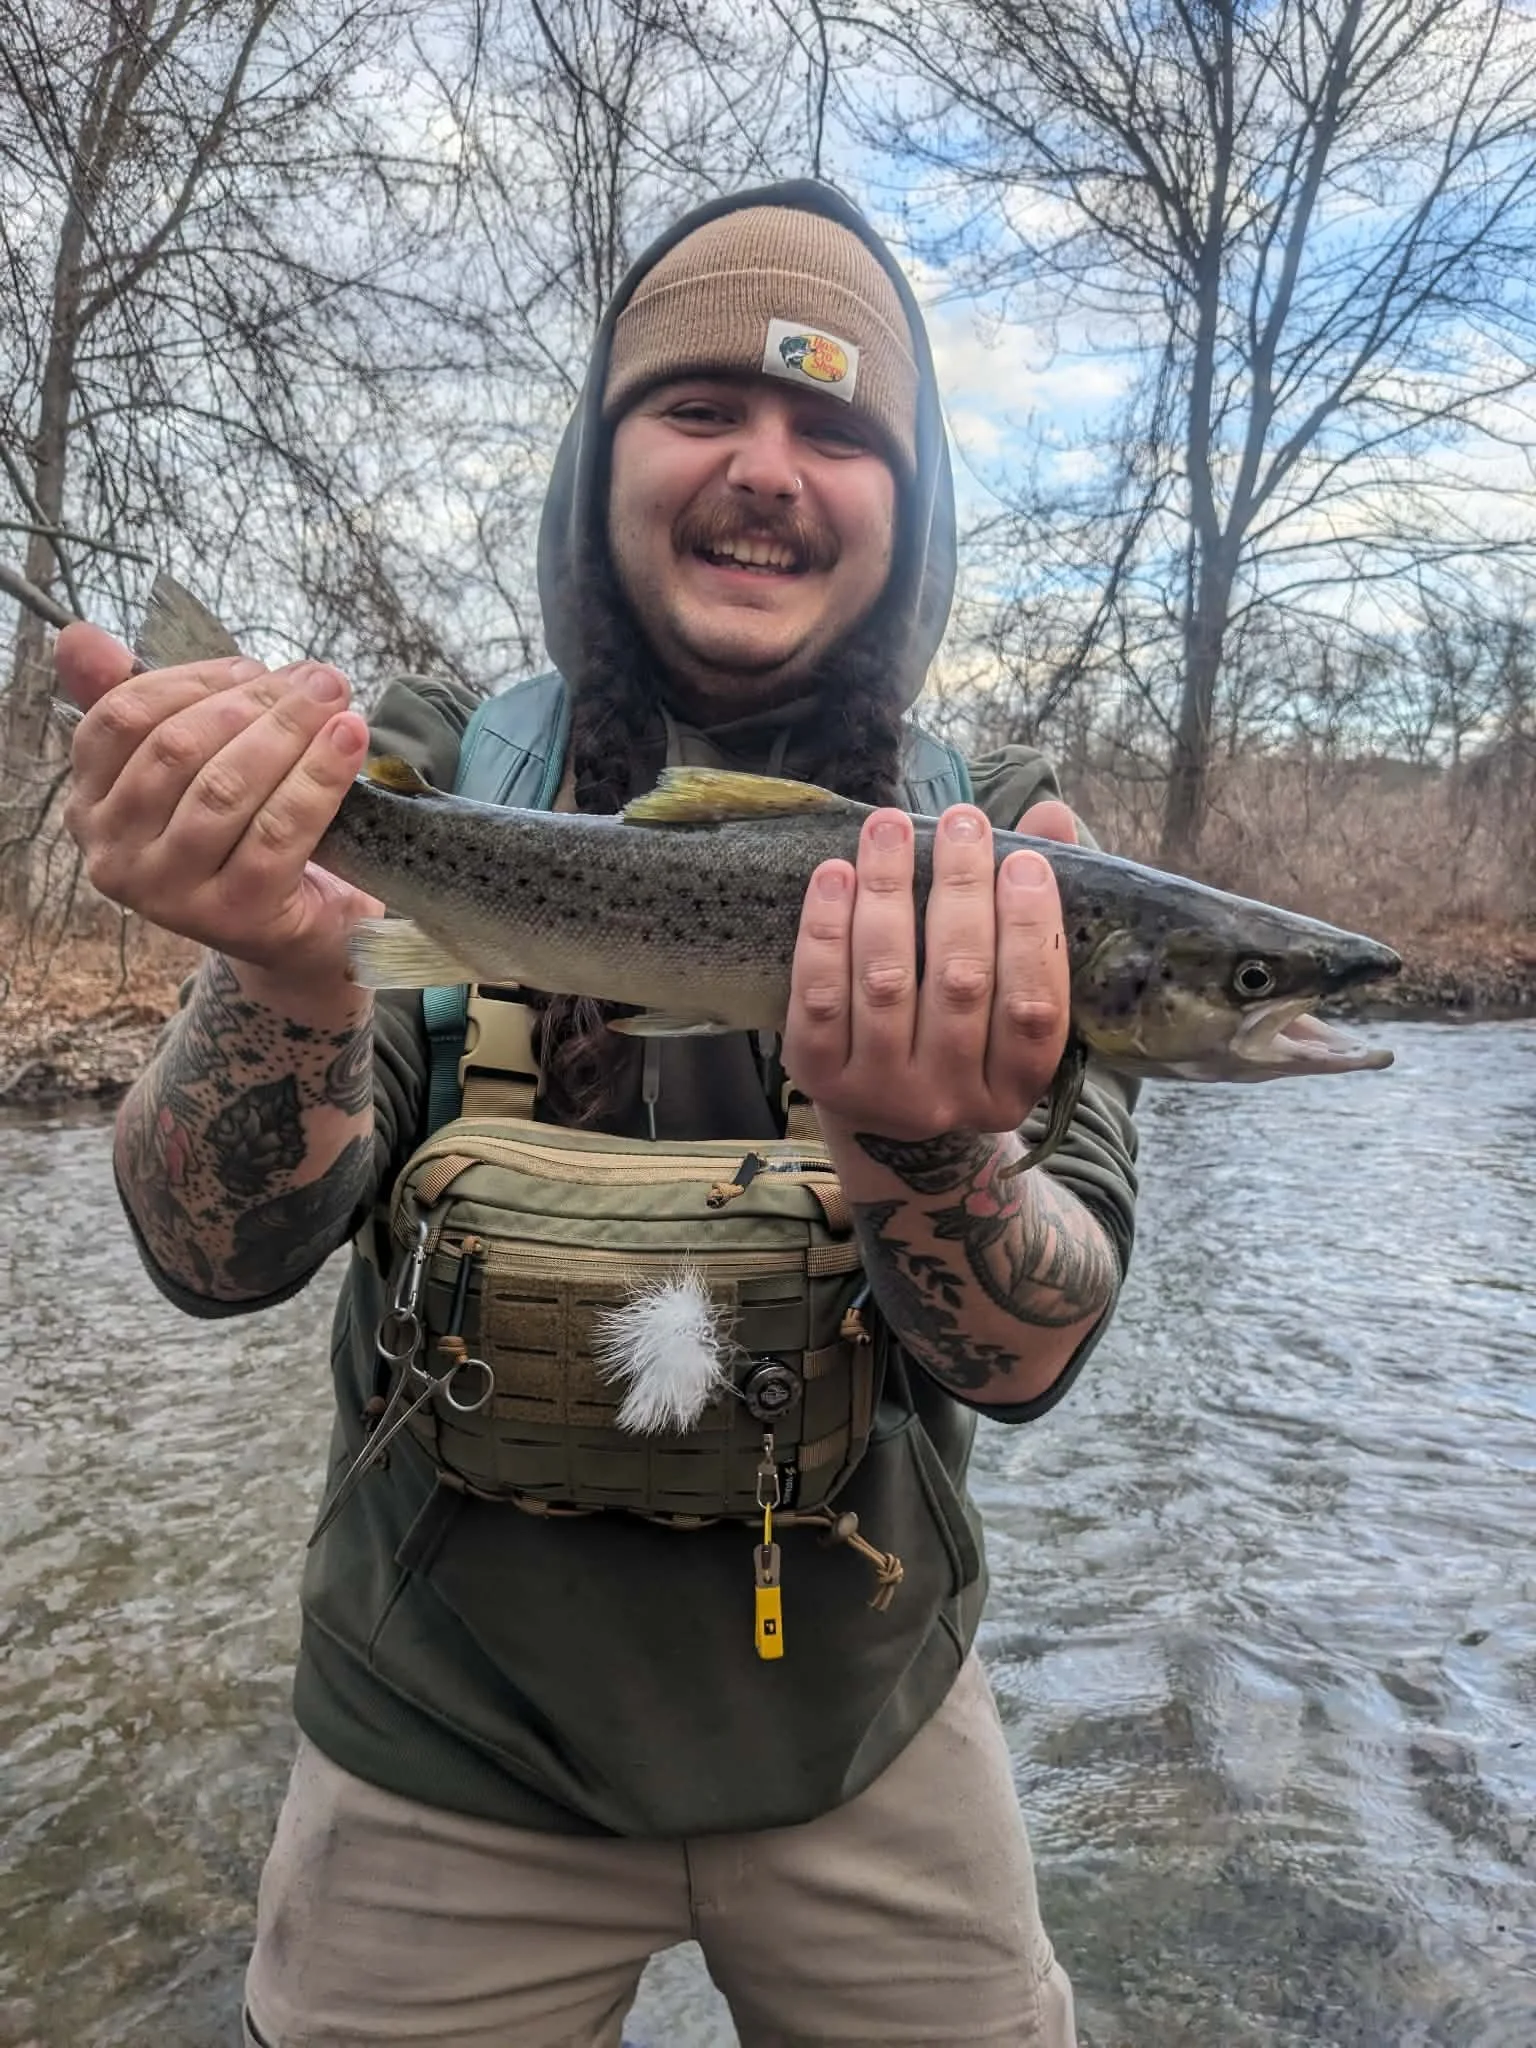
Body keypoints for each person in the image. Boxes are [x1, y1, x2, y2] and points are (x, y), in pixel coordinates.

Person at [57, 182, 1138, 2048]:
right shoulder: (410, 770)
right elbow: (207, 1254)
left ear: (910, 502)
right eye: (703, 408)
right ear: (603, 462)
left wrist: (931, 1144)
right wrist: (289, 968)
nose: (770, 470)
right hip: (436, 1740)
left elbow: (1034, 1354)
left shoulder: (1007, 853)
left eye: (838, 426)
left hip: (871, 1726)